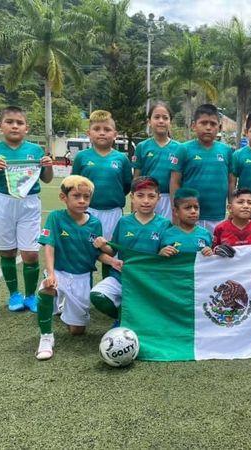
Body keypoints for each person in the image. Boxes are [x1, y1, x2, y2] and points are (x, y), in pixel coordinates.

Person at [0, 106, 53, 313]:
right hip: (3, 203)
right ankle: (14, 294)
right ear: (0, 126)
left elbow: (46, 179)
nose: (15, 126)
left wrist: (48, 165)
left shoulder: (35, 150)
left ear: (26, 128)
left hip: (29, 204)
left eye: (19, 123)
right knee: (8, 251)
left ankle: (30, 296)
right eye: (9, 122)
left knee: (30, 254)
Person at [35, 175, 118, 360]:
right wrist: (51, 272)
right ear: (63, 197)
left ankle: (65, 305)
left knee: (77, 331)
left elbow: (97, 253)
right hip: (60, 271)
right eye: (76, 196)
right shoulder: (56, 217)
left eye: (86, 197)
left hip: (82, 277)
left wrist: (113, 261)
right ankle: (46, 337)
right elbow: (49, 245)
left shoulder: (95, 223)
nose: (82, 201)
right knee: (48, 288)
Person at [90, 176, 171, 325]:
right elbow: (111, 250)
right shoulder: (124, 222)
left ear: (158, 198)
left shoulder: (165, 224)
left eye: (151, 196)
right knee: (97, 295)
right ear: (132, 198)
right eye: (140, 196)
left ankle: (133, 317)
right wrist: (101, 244)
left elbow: (167, 255)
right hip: (122, 276)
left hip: (149, 280)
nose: (146, 201)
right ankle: (122, 318)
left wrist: (162, 253)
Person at [71, 110, 132, 276]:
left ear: (115, 134)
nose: (102, 132)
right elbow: (73, 186)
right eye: (97, 129)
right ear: (89, 133)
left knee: (111, 252)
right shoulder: (82, 157)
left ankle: (108, 290)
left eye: (107, 129)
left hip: (114, 212)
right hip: (88, 212)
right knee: (86, 251)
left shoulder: (121, 159)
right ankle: (83, 288)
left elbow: (127, 186)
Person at [170, 104, 233, 234]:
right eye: (203, 123)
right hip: (189, 216)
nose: (208, 127)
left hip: (217, 217)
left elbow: (231, 183)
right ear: (194, 125)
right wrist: (175, 211)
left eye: (213, 124)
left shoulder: (227, 151)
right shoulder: (183, 149)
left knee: (215, 252)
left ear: (219, 127)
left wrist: (232, 209)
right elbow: (175, 182)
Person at [132, 101, 181, 220]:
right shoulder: (142, 147)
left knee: (167, 234)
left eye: (165, 118)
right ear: (149, 121)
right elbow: (136, 178)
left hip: (169, 198)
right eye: (157, 117)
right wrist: (134, 206)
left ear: (170, 122)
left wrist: (175, 206)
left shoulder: (179, 148)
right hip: (147, 198)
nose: (161, 121)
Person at [159, 188, 214, 256]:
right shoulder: (166, 234)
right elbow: (158, 262)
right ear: (175, 211)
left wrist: (210, 253)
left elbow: (211, 262)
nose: (193, 211)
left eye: (196, 207)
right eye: (187, 208)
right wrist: (161, 254)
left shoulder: (206, 234)